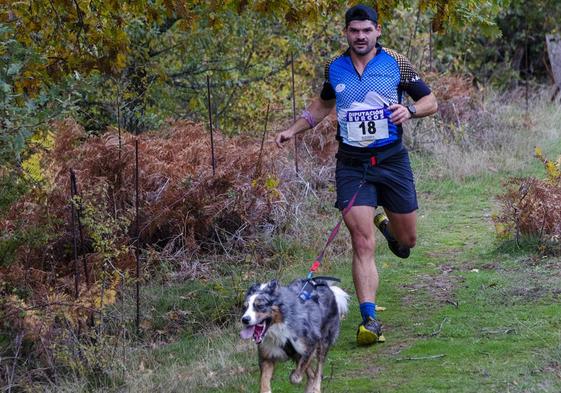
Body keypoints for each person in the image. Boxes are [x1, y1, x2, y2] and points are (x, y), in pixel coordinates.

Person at [275, 4, 438, 346]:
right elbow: (322, 105)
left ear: (378, 30)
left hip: (392, 161)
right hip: (352, 165)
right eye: (354, 31)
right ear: (346, 33)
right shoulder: (335, 67)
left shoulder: (396, 62)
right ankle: (370, 320)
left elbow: (431, 101)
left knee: (407, 242)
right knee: (361, 242)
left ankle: (388, 228)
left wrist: (408, 110)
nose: (360, 36)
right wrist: (293, 130)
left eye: (367, 30)